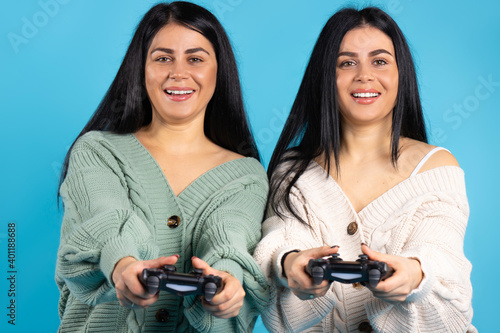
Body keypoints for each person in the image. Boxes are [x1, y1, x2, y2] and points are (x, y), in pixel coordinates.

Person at [254, 6, 475, 333]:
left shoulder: (437, 168)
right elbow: (278, 243)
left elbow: (444, 264)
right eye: (347, 63)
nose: (364, 75)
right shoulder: (292, 172)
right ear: (326, 77)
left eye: (380, 61)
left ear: (402, 74)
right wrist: (289, 264)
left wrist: (416, 275)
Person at [55, 2, 269, 332]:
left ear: (218, 70)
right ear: (141, 68)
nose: (178, 72)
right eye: (162, 58)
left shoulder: (246, 174)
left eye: (195, 59)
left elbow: (229, 234)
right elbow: (105, 219)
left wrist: (227, 277)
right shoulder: (97, 150)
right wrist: (124, 265)